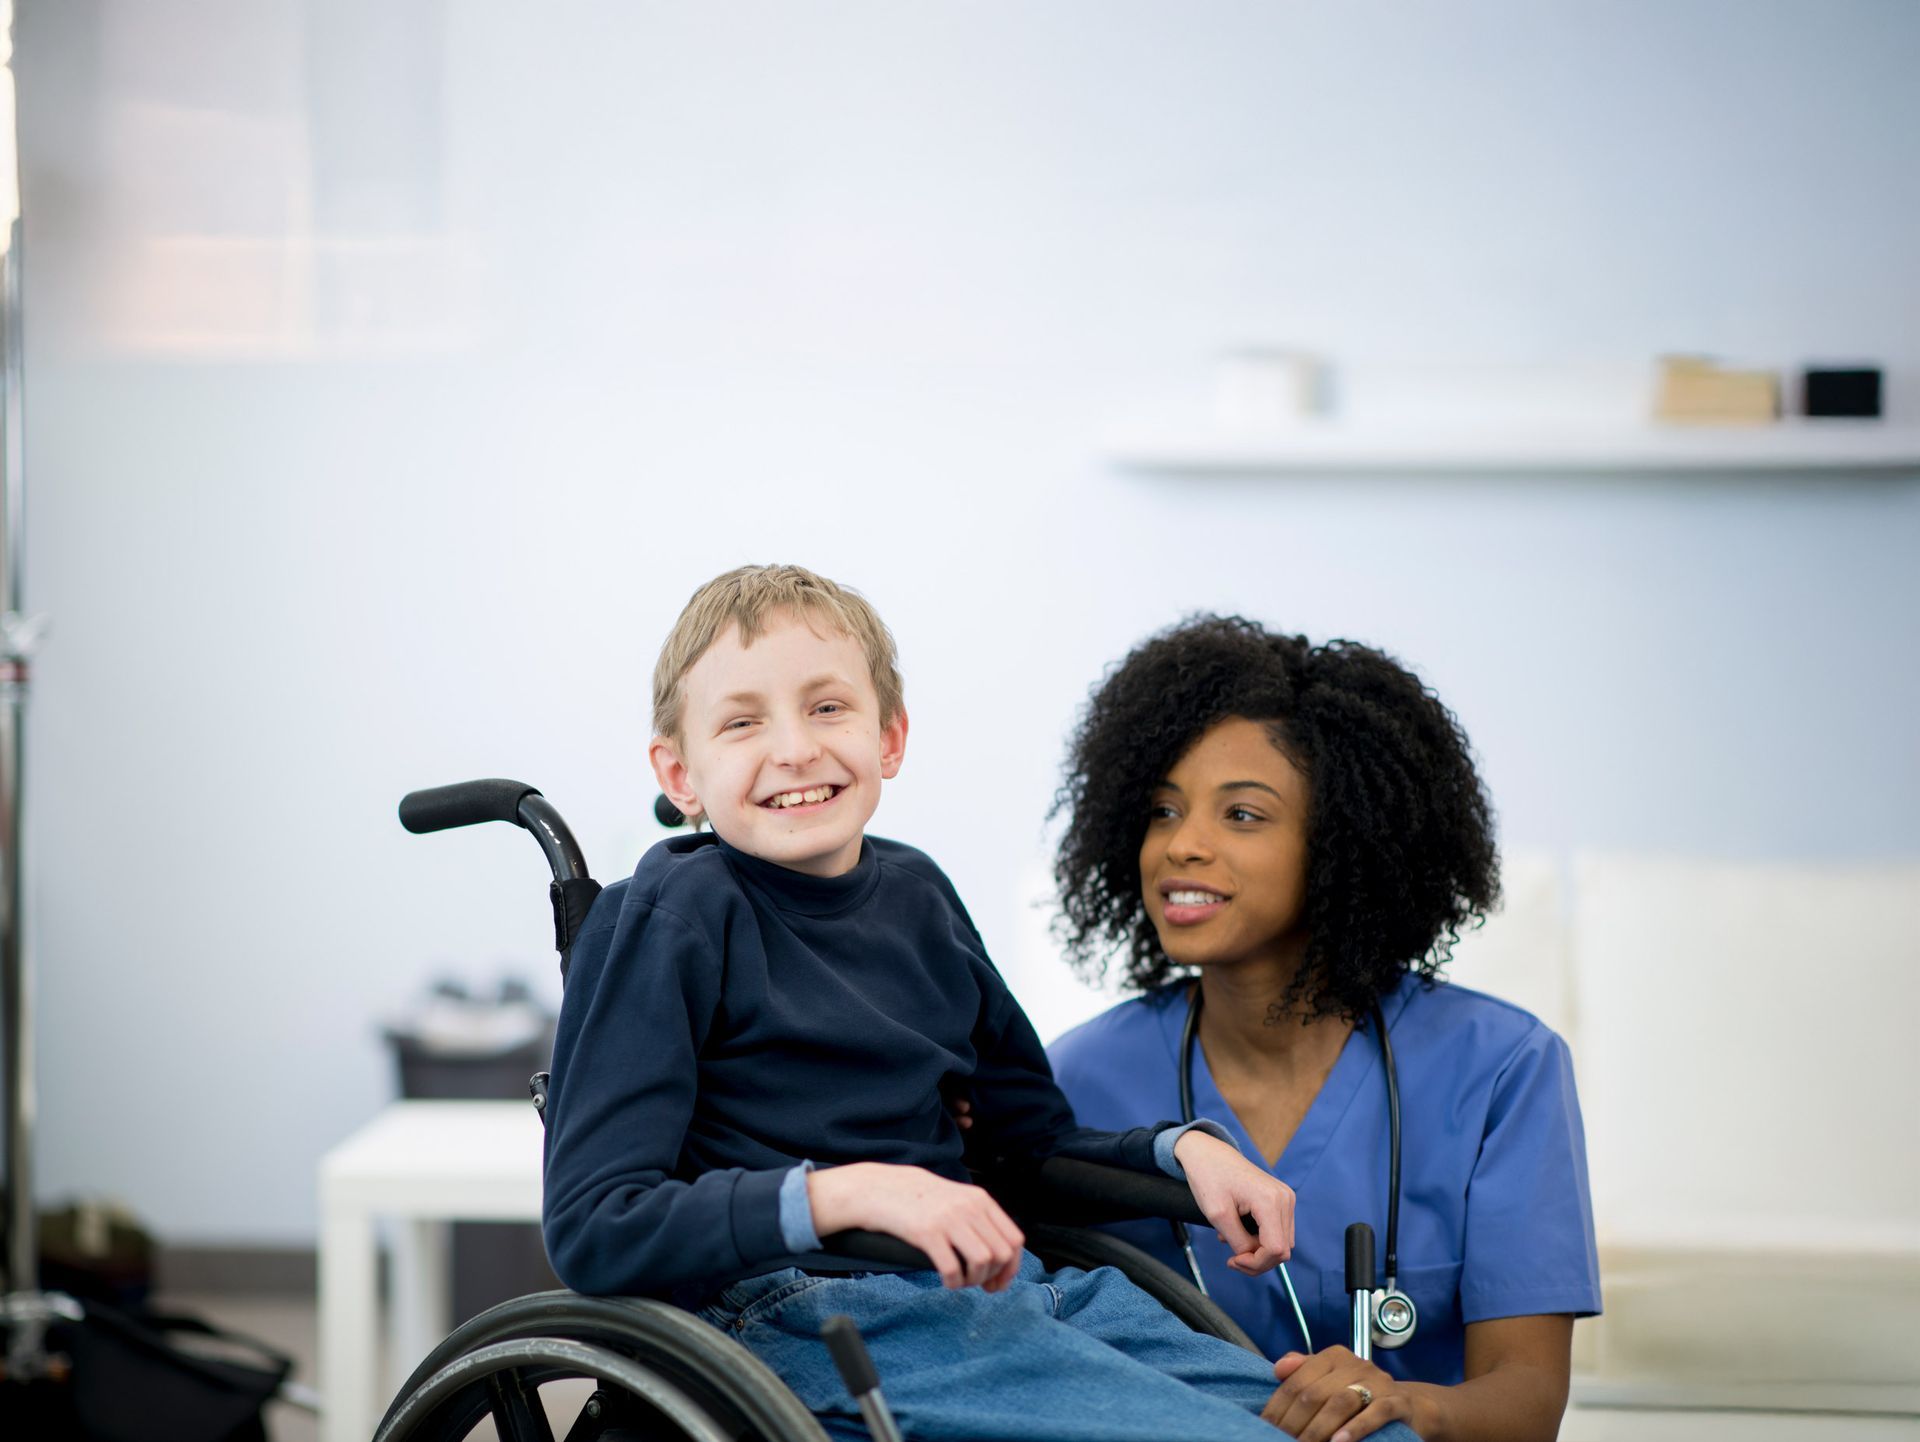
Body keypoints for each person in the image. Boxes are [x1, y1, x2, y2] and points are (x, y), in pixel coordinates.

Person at [540, 567, 1423, 1442]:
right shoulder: (669, 917)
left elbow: (1023, 1147)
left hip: (1004, 1293)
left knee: (1370, 1434)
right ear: (680, 773)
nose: (795, 748)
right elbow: (594, 1227)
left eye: (827, 707)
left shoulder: (919, 896)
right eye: (742, 722)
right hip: (805, 1315)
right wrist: (857, 1194)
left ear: (890, 738)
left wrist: (1180, 1151)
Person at [1046, 616, 1601, 1442]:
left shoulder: (1501, 1072)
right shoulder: (1077, 1081)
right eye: (1162, 810)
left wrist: (1412, 1401)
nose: (1180, 846)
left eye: (1242, 815)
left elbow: (1526, 1401)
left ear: (1345, 842)